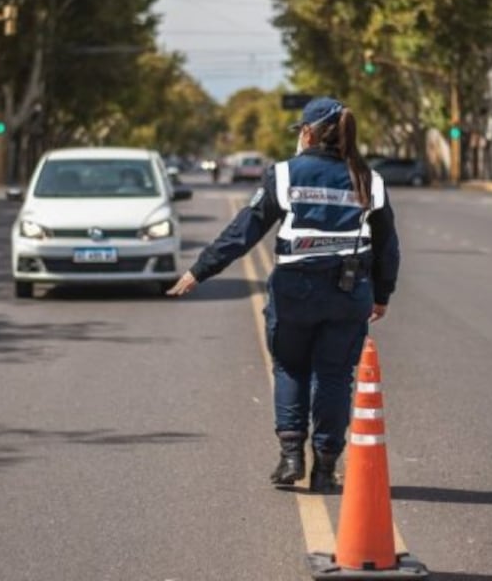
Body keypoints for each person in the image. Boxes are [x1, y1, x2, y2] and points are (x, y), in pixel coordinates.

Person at [167, 96, 400, 493]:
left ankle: (291, 457)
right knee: (334, 377)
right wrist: (382, 295)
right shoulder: (368, 178)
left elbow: (245, 230)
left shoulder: (285, 174)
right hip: (349, 292)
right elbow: (387, 246)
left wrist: (199, 271)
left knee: (291, 368)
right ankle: (325, 468)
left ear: (308, 132)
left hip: (297, 291)